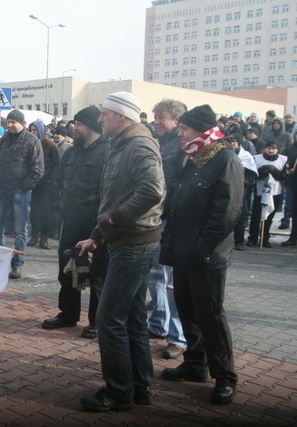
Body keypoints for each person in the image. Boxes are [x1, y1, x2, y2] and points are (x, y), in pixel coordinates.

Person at [76, 91, 165, 412]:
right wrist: (97, 236)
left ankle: (118, 391)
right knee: (132, 318)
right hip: (127, 242)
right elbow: (115, 195)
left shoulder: (139, 145)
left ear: (123, 117)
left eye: (105, 114)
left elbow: (152, 189)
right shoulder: (123, 145)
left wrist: (116, 218)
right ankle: (140, 387)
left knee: (109, 318)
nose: (99, 119)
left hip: (134, 243)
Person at [159, 104, 244, 406]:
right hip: (183, 252)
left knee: (210, 316)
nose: (179, 134)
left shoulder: (226, 160)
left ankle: (225, 377)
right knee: (188, 312)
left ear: (201, 130)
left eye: (184, 129)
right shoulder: (193, 158)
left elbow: (227, 213)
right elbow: (178, 199)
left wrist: (200, 248)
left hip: (206, 256)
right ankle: (195, 366)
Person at [41, 107, 109, 339]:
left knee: (98, 274)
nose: (74, 128)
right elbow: (59, 183)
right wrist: (59, 206)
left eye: (78, 124)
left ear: (91, 126)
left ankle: (96, 321)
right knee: (66, 269)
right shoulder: (70, 153)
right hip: (70, 220)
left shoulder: (107, 153)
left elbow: (108, 192)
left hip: (95, 225)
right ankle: (68, 313)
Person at [146, 99, 188, 360]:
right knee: (155, 274)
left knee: (171, 282)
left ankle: (178, 338)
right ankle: (158, 323)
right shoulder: (160, 143)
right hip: (158, 216)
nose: (157, 122)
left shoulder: (183, 147)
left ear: (176, 120)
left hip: (173, 218)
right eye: (156, 117)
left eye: (162, 117)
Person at [0, 109, 44, 279]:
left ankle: (17, 264)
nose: (10, 125)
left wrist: (23, 188)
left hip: (20, 192)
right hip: (1, 190)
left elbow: (38, 170)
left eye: (13, 122)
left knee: (20, 230)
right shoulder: (3, 141)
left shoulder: (32, 141)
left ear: (22, 123)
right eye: (8, 122)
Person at [246, 140, 288, 248]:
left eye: (273, 148)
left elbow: (285, 176)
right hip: (260, 191)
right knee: (255, 216)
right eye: (269, 148)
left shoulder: (283, 159)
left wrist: (274, 171)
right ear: (265, 148)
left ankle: (265, 238)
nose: (271, 150)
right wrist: (262, 171)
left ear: (277, 149)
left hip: (275, 192)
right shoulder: (257, 158)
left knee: (269, 217)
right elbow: (252, 174)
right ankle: (253, 238)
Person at [27, 120, 59, 250]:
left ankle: (44, 238)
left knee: (46, 213)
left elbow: (57, 164)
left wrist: (53, 180)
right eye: (31, 130)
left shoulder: (50, 145)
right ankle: (34, 236)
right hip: (34, 183)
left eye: (35, 130)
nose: (32, 132)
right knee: (33, 212)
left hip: (47, 184)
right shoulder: (29, 144)